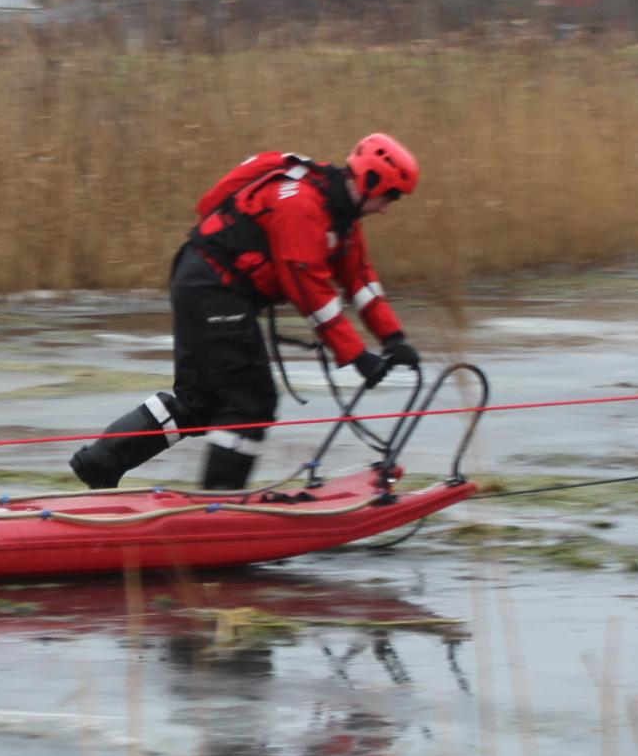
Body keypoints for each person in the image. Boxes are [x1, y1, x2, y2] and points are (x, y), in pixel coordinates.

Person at [68, 134, 424, 492]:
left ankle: (100, 463)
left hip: (203, 282)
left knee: (200, 401)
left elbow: (360, 281)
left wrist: (393, 339)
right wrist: (357, 356)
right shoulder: (302, 205)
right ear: (370, 182)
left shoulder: (342, 222)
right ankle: (220, 501)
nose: (388, 207)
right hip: (214, 287)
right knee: (252, 400)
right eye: (390, 196)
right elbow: (310, 291)